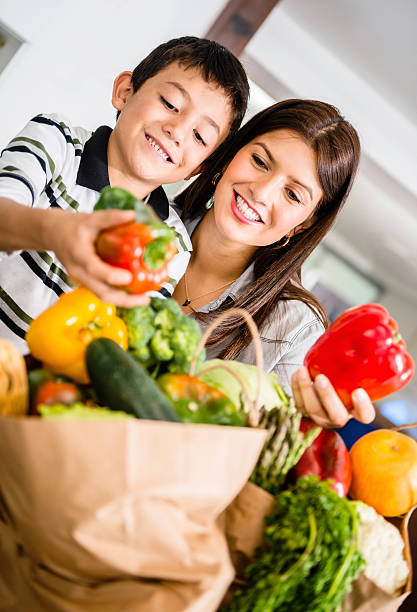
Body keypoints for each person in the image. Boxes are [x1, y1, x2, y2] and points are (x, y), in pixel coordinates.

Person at [0, 36, 249, 354]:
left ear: (197, 169)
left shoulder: (171, 245)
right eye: (171, 103)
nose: (177, 130)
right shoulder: (55, 141)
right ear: (124, 92)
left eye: (200, 136)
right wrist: (55, 231)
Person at [172, 99, 375, 428]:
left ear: (304, 223)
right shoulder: (142, 218)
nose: (262, 193)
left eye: (293, 195)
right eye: (259, 161)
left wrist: (307, 425)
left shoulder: (295, 329)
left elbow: (260, 453)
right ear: (231, 154)